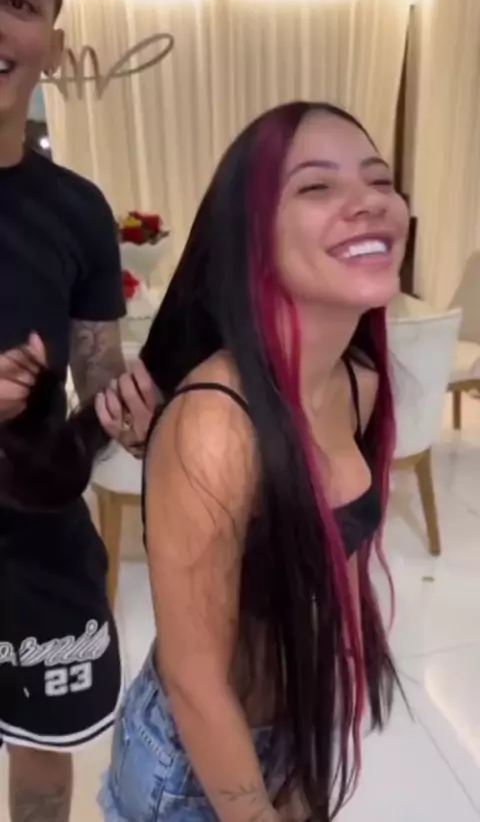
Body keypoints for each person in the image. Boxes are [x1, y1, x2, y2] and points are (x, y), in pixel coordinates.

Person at [0, 99, 408, 818]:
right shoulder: (216, 426)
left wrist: (321, 730)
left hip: (298, 728)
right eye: (317, 186)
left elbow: (337, 577)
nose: (370, 202)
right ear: (251, 238)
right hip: (190, 766)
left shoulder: (358, 384)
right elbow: (196, 684)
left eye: (380, 180)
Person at [0, 0, 156, 821]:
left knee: (46, 774)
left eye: (18, 0)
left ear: (54, 46)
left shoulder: (79, 210)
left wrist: (138, 415)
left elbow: (98, 386)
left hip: (40, 546)